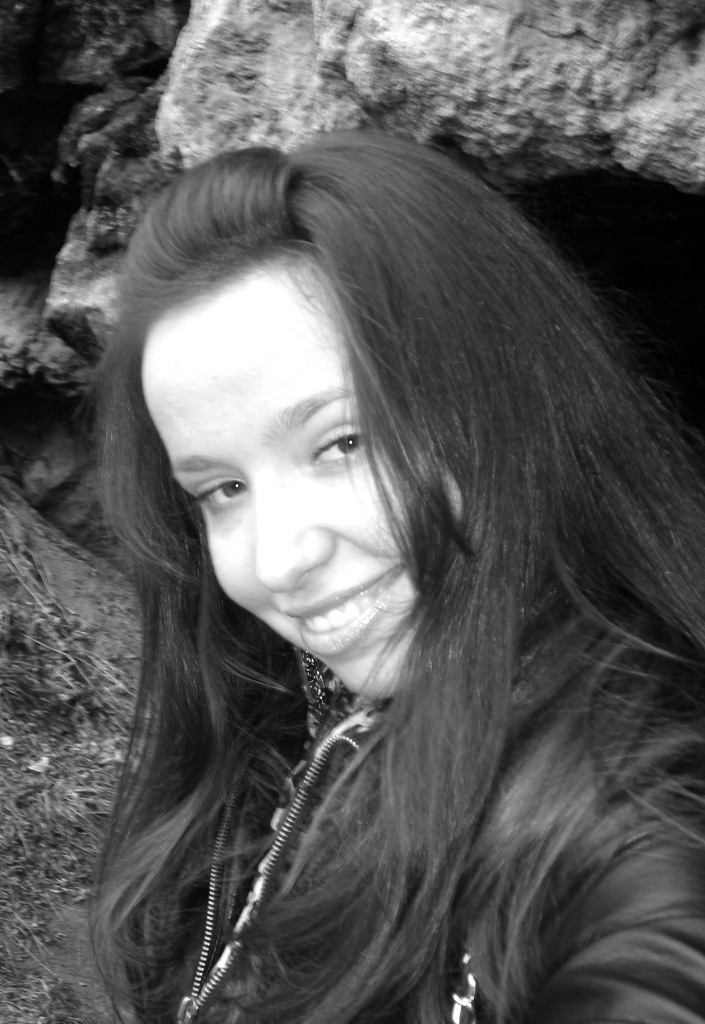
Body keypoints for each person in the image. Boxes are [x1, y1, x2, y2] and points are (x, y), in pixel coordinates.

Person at [92, 131, 705, 1024]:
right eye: (222, 489)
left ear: (502, 395)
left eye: (343, 442)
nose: (278, 560)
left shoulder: (642, 830)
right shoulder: (287, 721)